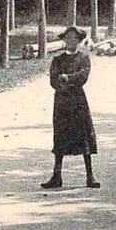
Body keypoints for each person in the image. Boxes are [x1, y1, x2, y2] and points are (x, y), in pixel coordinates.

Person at [41, 25, 100, 190]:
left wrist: (67, 78)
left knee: (84, 136)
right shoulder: (57, 60)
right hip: (62, 102)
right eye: (68, 38)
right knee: (60, 137)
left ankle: (90, 176)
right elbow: (53, 80)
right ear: (64, 40)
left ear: (79, 40)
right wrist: (63, 86)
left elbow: (83, 76)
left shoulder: (83, 58)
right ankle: (57, 175)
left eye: (74, 38)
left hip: (78, 102)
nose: (71, 41)